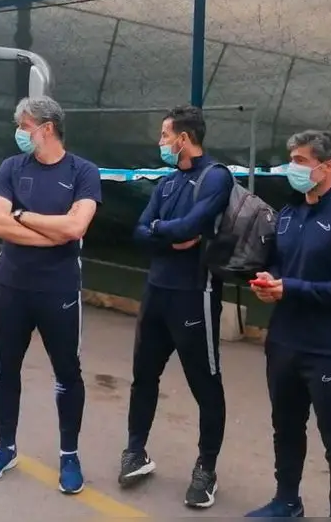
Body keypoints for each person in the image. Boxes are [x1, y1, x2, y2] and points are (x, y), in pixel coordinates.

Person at [244, 130, 331, 518]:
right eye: (292, 159)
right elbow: (277, 265)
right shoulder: (289, 214)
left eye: (301, 161)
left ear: (328, 167)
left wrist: (294, 288)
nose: (293, 167)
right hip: (285, 342)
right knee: (286, 428)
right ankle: (287, 502)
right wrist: (269, 282)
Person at [0, 96, 102, 495]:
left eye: (24, 124)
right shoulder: (13, 168)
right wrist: (50, 233)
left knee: (67, 374)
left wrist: (23, 215)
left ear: (47, 128)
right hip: (13, 287)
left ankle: (69, 455)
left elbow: (75, 227)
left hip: (59, 290)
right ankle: (5, 447)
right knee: (5, 370)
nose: (19, 131)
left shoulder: (83, 171)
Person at [119, 105, 233, 509]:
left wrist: (163, 232)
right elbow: (139, 231)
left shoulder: (216, 176)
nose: (161, 143)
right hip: (156, 292)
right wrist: (169, 235)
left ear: (184, 139)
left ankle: (206, 470)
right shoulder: (168, 183)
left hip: (193, 295)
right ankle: (135, 452)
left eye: (165, 136)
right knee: (143, 376)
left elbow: (191, 228)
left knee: (205, 385)